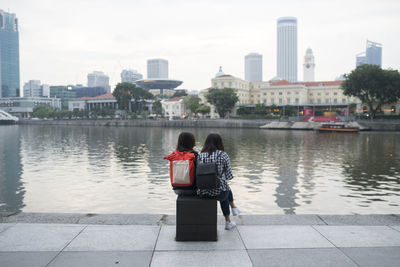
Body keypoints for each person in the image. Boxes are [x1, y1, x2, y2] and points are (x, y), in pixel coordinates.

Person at [197, 133, 240, 230]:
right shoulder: (223, 155)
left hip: (203, 192)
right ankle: (228, 220)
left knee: (223, 185)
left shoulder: (200, 156)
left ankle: (234, 208)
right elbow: (229, 176)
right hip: (220, 194)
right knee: (224, 186)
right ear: (220, 142)